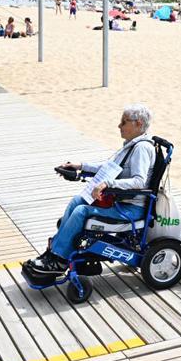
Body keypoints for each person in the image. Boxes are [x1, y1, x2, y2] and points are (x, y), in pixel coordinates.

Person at [25, 105, 157, 274]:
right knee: (77, 201)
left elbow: (139, 181)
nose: (119, 126)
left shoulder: (142, 148)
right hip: (120, 203)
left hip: (132, 209)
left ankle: (59, 260)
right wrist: (80, 166)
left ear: (138, 124)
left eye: (124, 122)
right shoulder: (131, 145)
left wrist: (108, 184)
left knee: (81, 212)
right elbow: (109, 168)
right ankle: (54, 253)